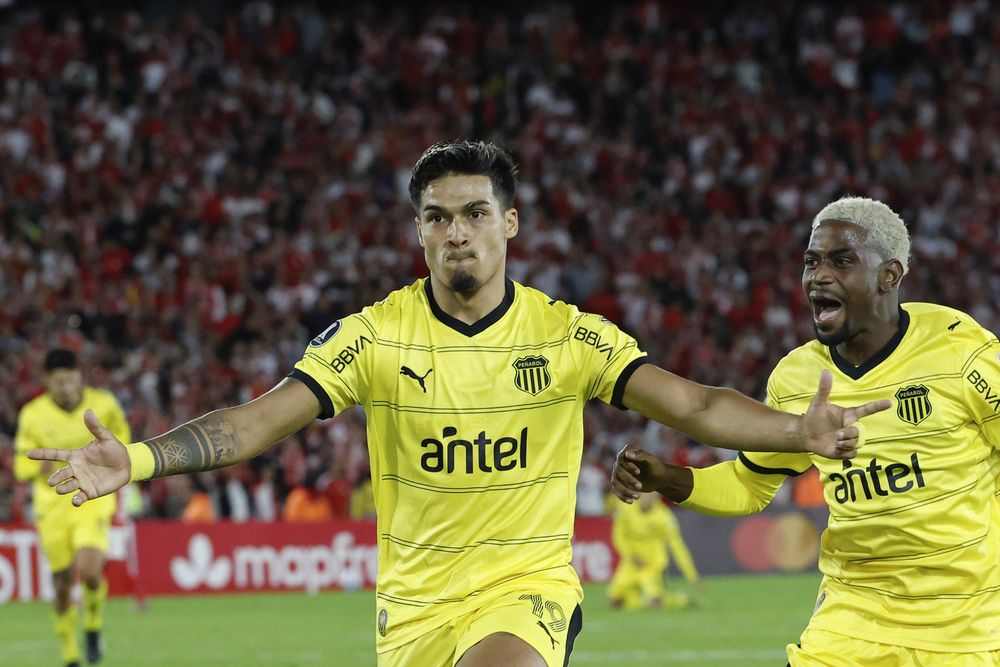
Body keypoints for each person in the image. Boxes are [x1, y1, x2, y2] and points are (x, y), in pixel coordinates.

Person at [30, 142, 888, 667]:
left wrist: (796, 430)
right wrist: (136, 457)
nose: (456, 231)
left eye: (475, 212)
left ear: (509, 223)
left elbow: (692, 403)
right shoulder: (374, 337)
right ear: (418, 232)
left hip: (525, 588)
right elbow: (259, 419)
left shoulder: (567, 335)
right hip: (412, 612)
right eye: (437, 217)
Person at [612, 196, 1000, 666]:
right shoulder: (798, 378)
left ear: (889, 275)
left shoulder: (960, 351)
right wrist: (668, 479)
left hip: (967, 632)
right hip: (849, 625)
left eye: (842, 261)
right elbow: (748, 485)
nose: (819, 276)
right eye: (812, 262)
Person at [14, 348, 132, 667]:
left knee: (91, 572)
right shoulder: (33, 414)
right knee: (62, 583)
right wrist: (37, 468)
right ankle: (70, 654)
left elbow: (123, 443)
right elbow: (20, 464)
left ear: (80, 377)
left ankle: (92, 623)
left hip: (92, 498)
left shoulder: (103, 405)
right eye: (59, 382)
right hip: (52, 505)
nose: (66, 388)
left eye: (70, 380)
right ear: (47, 382)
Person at [607, 492, 699, 611]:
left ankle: (672, 600)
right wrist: (630, 555)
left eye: (653, 495)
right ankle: (678, 599)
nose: (650, 498)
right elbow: (619, 537)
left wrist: (692, 575)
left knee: (655, 599)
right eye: (647, 494)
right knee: (615, 601)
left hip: (654, 562)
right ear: (639, 494)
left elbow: (677, 546)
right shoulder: (626, 509)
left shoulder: (664, 515)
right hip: (632, 561)